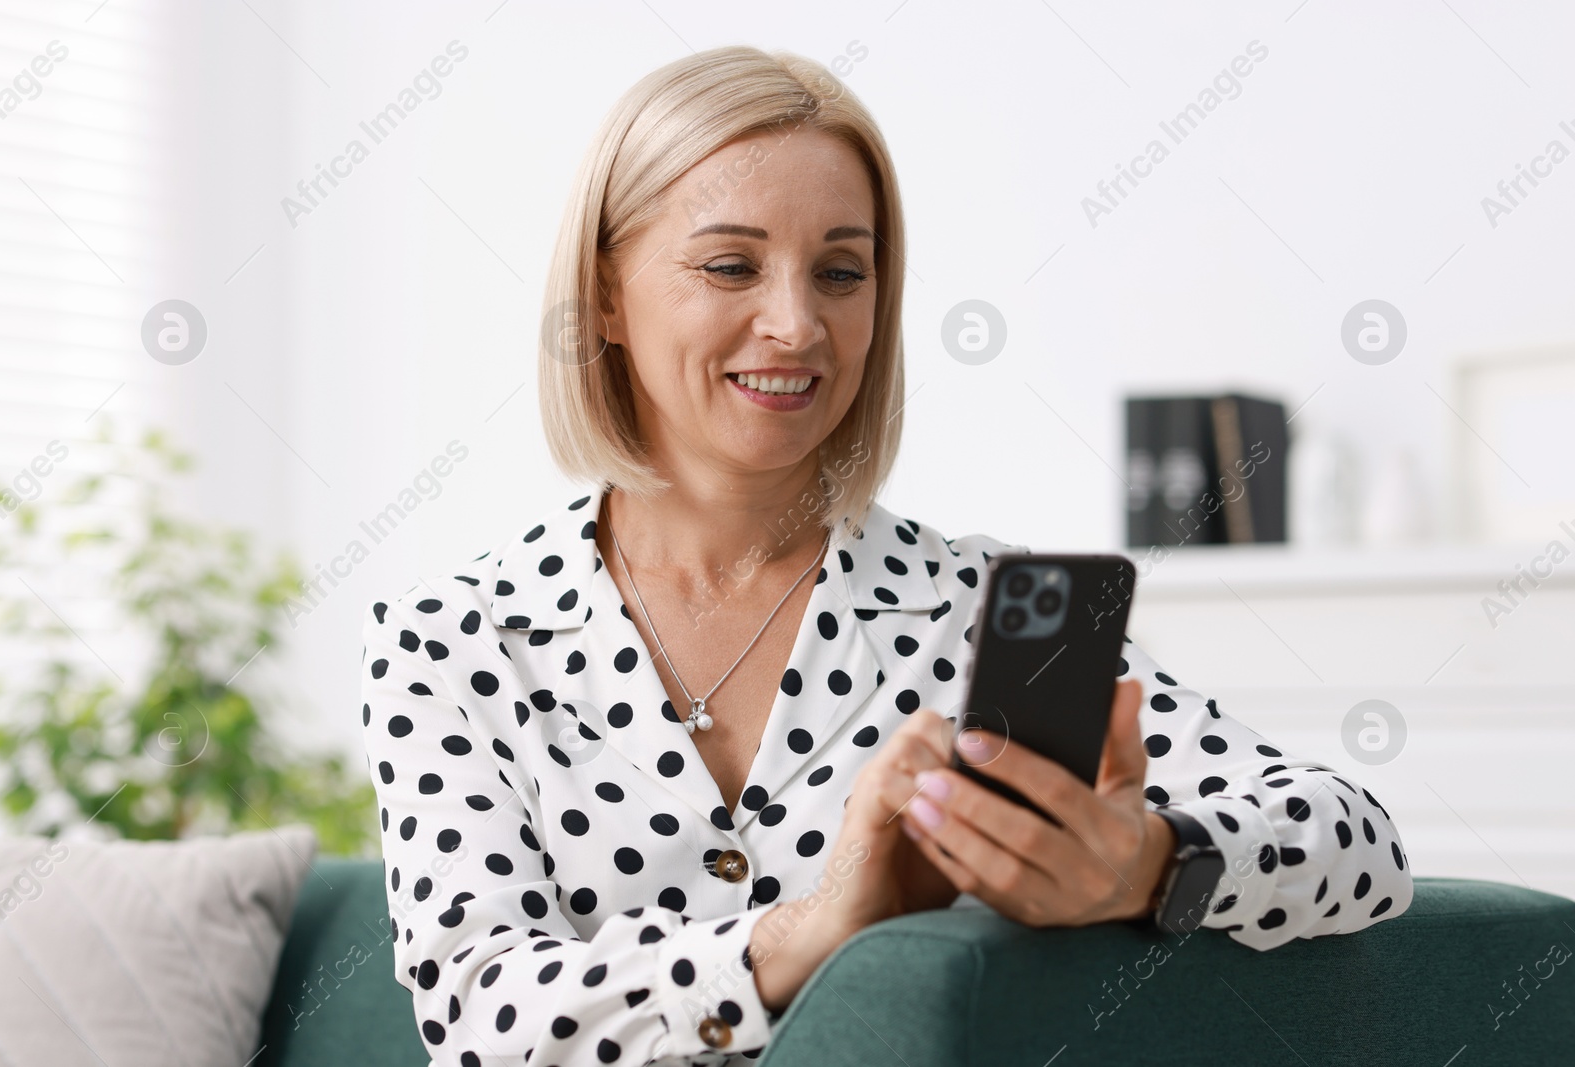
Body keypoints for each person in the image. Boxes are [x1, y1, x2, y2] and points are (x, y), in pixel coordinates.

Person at [359, 45, 1413, 1067]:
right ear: (601, 295)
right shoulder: (455, 638)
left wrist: (1140, 864)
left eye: (841, 271)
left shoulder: (989, 606)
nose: (795, 322)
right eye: (730, 264)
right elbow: (483, 1016)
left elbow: (1359, 845)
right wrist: (805, 932)